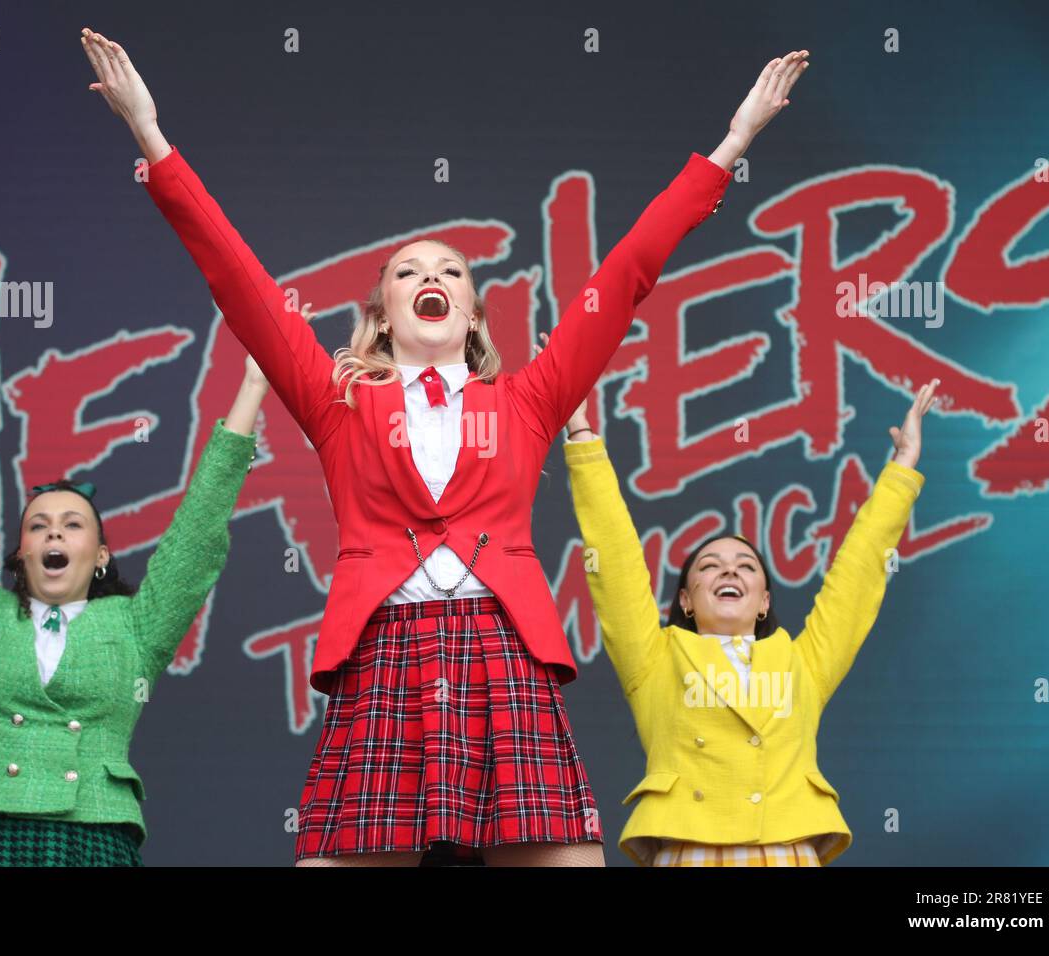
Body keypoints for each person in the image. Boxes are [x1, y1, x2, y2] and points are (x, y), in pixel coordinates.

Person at [79, 25, 807, 865]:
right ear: (383, 313)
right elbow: (238, 280)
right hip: (385, 643)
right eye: (408, 271)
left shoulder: (529, 399)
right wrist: (151, 135)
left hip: (503, 643)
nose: (432, 278)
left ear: (474, 312)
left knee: (567, 856)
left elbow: (629, 272)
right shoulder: (337, 403)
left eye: (452, 271)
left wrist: (734, 140)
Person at [0, 265, 261, 866]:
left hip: (95, 836)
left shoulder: (135, 627)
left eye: (73, 523)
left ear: (101, 555)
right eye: (38, 525)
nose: (54, 529)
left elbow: (196, 533)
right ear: (21, 553)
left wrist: (253, 386)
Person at [561, 364, 938, 866]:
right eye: (708, 566)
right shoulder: (656, 660)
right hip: (688, 849)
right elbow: (615, 556)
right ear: (687, 600)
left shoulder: (801, 663)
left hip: (785, 851)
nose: (727, 572)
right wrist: (582, 434)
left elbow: (856, 579)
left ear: (763, 601)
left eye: (745, 566)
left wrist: (902, 468)